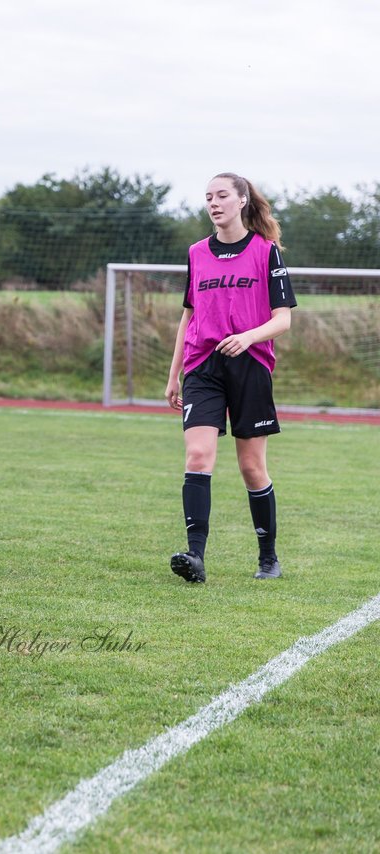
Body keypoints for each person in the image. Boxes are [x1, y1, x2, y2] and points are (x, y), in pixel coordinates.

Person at [164, 172, 296, 583]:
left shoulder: (266, 252)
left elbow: (283, 320)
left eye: (222, 195)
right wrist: (174, 375)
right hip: (203, 366)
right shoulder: (196, 252)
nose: (214, 203)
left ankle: (268, 558)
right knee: (198, 456)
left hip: (250, 365)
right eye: (208, 197)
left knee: (251, 467)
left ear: (242, 201)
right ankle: (195, 557)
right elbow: (189, 315)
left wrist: (247, 337)